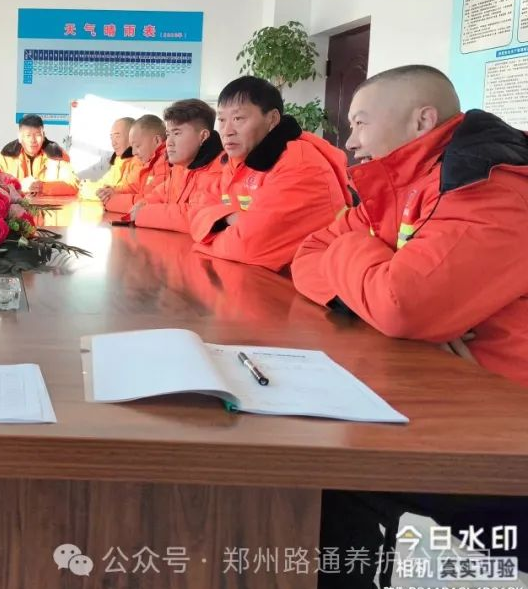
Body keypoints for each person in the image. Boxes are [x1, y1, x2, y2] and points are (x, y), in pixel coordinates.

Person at [293, 64, 528, 386]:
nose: (350, 142)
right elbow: (307, 254)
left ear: (422, 121)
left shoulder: (485, 185)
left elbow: (399, 307)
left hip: (499, 396)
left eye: (361, 123)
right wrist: (366, 303)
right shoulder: (399, 184)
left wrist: (348, 250)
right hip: (427, 373)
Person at [189, 76, 351, 271]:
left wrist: (205, 239)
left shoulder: (300, 163)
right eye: (222, 120)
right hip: (256, 275)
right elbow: (196, 213)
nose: (227, 131)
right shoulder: (236, 161)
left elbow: (249, 248)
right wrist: (230, 216)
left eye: (238, 118)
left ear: (272, 119)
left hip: (309, 281)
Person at [132, 99, 223, 232]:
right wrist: (141, 205)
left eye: (177, 133)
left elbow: (199, 216)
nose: (169, 142)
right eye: (168, 134)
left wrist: (145, 213)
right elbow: (159, 194)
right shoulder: (179, 167)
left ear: (203, 136)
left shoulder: (220, 170)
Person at [0, 114, 78, 196]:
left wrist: (42, 187)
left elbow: (73, 185)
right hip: (16, 205)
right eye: (28, 135)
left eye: (37, 135)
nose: (33, 140)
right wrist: (18, 186)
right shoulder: (2, 157)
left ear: (43, 136)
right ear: (20, 137)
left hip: (48, 205)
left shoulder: (57, 154)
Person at [99, 114, 169, 213]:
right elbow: (134, 188)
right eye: (132, 147)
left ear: (157, 141)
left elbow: (148, 203)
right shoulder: (150, 162)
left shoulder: (165, 163)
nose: (133, 152)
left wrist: (111, 201)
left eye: (138, 146)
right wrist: (112, 191)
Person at [78, 117, 138, 199]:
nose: (113, 143)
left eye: (117, 136)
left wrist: (86, 189)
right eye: (111, 137)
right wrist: (84, 185)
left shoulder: (138, 162)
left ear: (132, 137)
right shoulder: (119, 160)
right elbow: (104, 184)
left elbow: (124, 192)